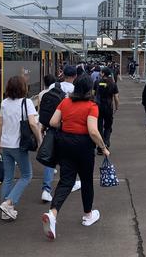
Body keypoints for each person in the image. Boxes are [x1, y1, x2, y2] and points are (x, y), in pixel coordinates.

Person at [41, 76, 110, 240]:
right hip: (84, 146)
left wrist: (67, 125)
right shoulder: (91, 106)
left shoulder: (64, 102)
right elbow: (93, 131)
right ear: (89, 90)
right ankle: (87, 215)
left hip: (64, 144)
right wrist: (103, 148)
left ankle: (52, 213)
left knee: (66, 180)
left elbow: (53, 121)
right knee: (86, 180)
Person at [0, 75, 42, 221]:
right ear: (23, 88)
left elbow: (1, 124)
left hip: (5, 145)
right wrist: (40, 140)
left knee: (8, 177)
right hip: (19, 145)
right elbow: (33, 124)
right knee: (27, 176)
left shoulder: (4, 103)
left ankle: (5, 212)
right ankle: (9, 203)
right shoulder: (26, 102)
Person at [48, 65, 82, 193]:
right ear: (75, 76)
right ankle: (70, 182)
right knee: (68, 157)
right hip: (67, 126)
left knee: (53, 152)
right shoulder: (75, 90)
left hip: (53, 123)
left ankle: (47, 185)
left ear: (63, 75)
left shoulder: (53, 87)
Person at [38, 74, 58, 203]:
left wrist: (41, 131)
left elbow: (41, 113)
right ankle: (71, 182)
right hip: (65, 132)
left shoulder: (42, 94)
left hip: (49, 130)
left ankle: (46, 189)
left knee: (50, 160)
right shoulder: (69, 93)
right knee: (70, 159)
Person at [93, 67, 119, 152]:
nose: (100, 73)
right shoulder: (113, 83)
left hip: (98, 107)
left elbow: (93, 94)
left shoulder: (97, 82)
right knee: (108, 126)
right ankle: (106, 141)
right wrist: (117, 106)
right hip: (108, 107)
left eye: (101, 72)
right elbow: (116, 97)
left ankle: (100, 146)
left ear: (103, 73)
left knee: (99, 126)